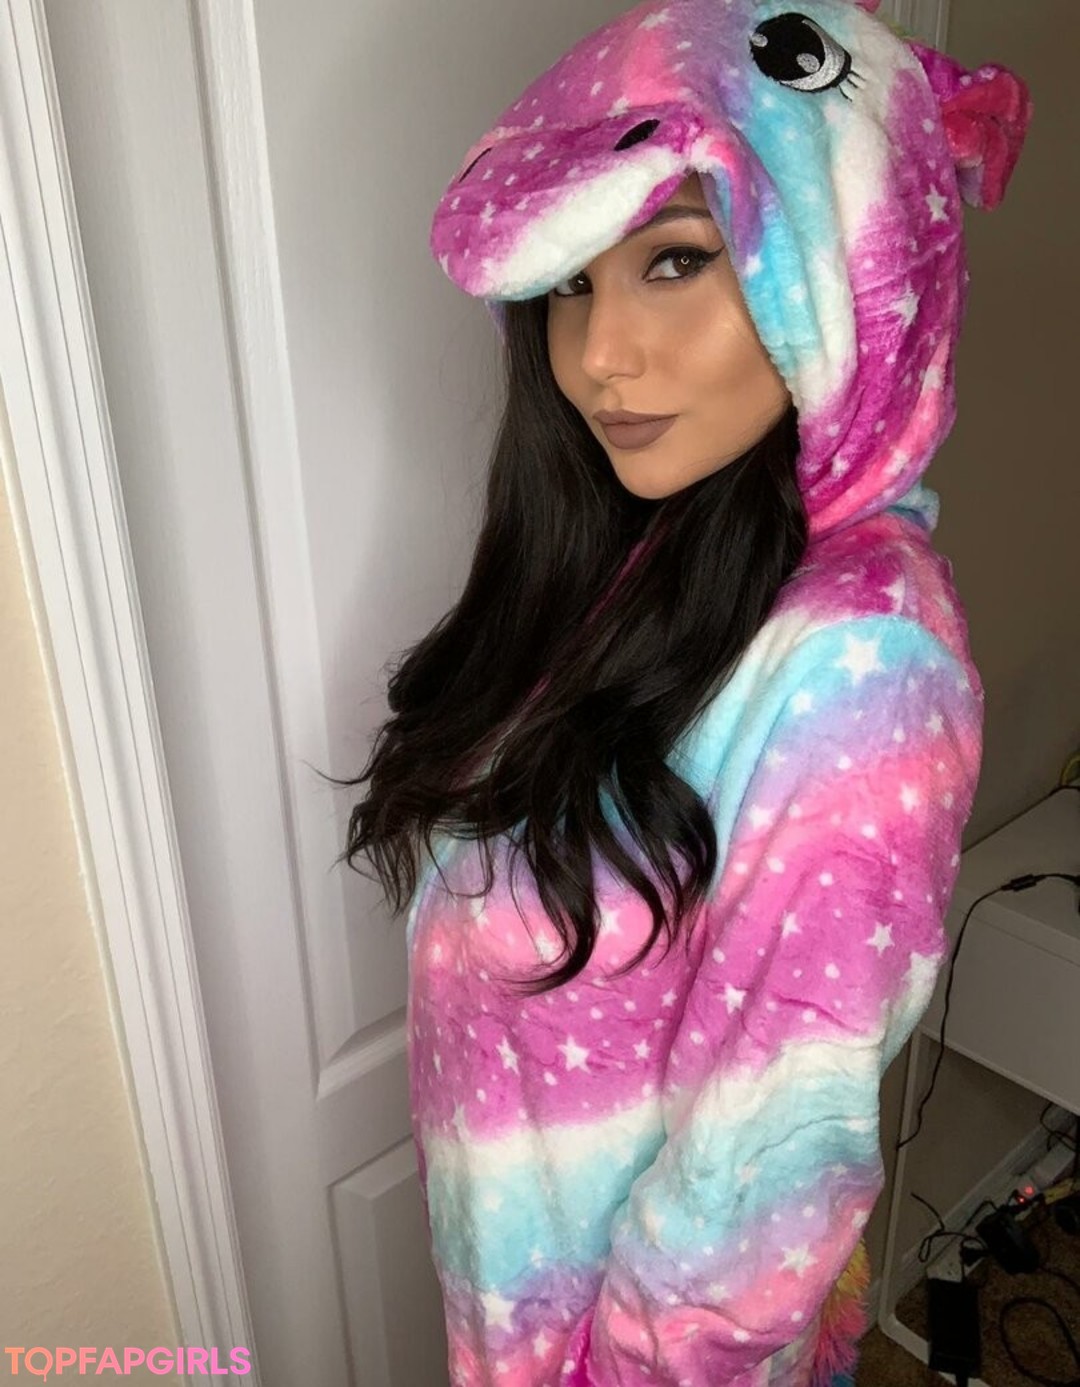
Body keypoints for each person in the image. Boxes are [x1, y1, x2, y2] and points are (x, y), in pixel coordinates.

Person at [335, 2, 1032, 1383]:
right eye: (573, 284)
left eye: (676, 260)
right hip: (526, 1315)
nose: (599, 355)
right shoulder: (651, 547)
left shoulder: (860, 668)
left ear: (846, 267)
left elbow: (761, 1180)